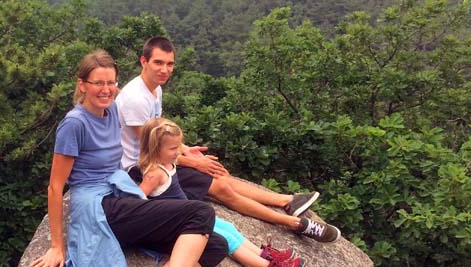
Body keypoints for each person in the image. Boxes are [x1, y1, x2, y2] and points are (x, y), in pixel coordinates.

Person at [29, 50, 229, 267]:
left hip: (119, 193)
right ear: (82, 85)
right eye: (98, 83)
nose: (106, 89)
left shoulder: (111, 113)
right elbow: (56, 187)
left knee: (216, 245)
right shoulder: (74, 124)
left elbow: (152, 133)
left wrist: (184, 156)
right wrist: (58, 246)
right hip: (100, 206)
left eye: (111, 82)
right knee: (200, 212)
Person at [116, 36, 340, 243]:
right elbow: (151, 149)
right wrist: (194, 162)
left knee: (216, 172)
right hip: (142, 169)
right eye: (158, 63)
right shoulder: (136, 98)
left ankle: (286, 200)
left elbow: (161, 133)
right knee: (220, 186)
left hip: (160, 159)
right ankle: (294, 223)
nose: (165, 70)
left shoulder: (154, 90)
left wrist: (185, 149)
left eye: (170, 64)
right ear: (144, 61)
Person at [138, 117, 306, 267]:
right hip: (180, 220)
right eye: (173, 148)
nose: (178, 152)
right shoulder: (154, 173)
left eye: (178, 147)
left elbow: (180, 159)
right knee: (225, 238)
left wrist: (191, 156)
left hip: (189, 213)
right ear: (155, 148)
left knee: (228, 227)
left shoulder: (168, 162)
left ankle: (265, 255)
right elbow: (138, 200)